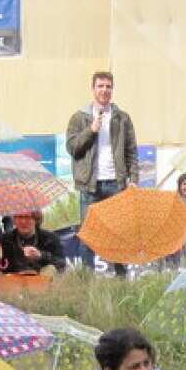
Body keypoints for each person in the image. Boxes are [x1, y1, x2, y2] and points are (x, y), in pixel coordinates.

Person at [65, 71, 139, 274]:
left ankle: (122, 278)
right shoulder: (79, 117)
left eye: (108, 86)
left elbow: (131, 150)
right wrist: (91, 130)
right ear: (93, 89)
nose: (105, 90)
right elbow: (72, 148)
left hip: (116, 183)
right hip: (90, 185)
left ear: (112, 89)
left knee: (119, 233)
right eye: (101, 86)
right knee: (89, 234)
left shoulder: (122, 118)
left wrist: (134, 179)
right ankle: (87, 279)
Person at [0, 211, 66, 277]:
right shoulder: (5, 239)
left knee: (50, 269)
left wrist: (41, 256)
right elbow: (2, 269)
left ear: (36, 219)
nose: (23, 221)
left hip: (42, 281)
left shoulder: (50, 238)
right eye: (19, 217)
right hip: (14, 281)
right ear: (14, 220)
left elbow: (62, 263)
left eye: (27, 217)